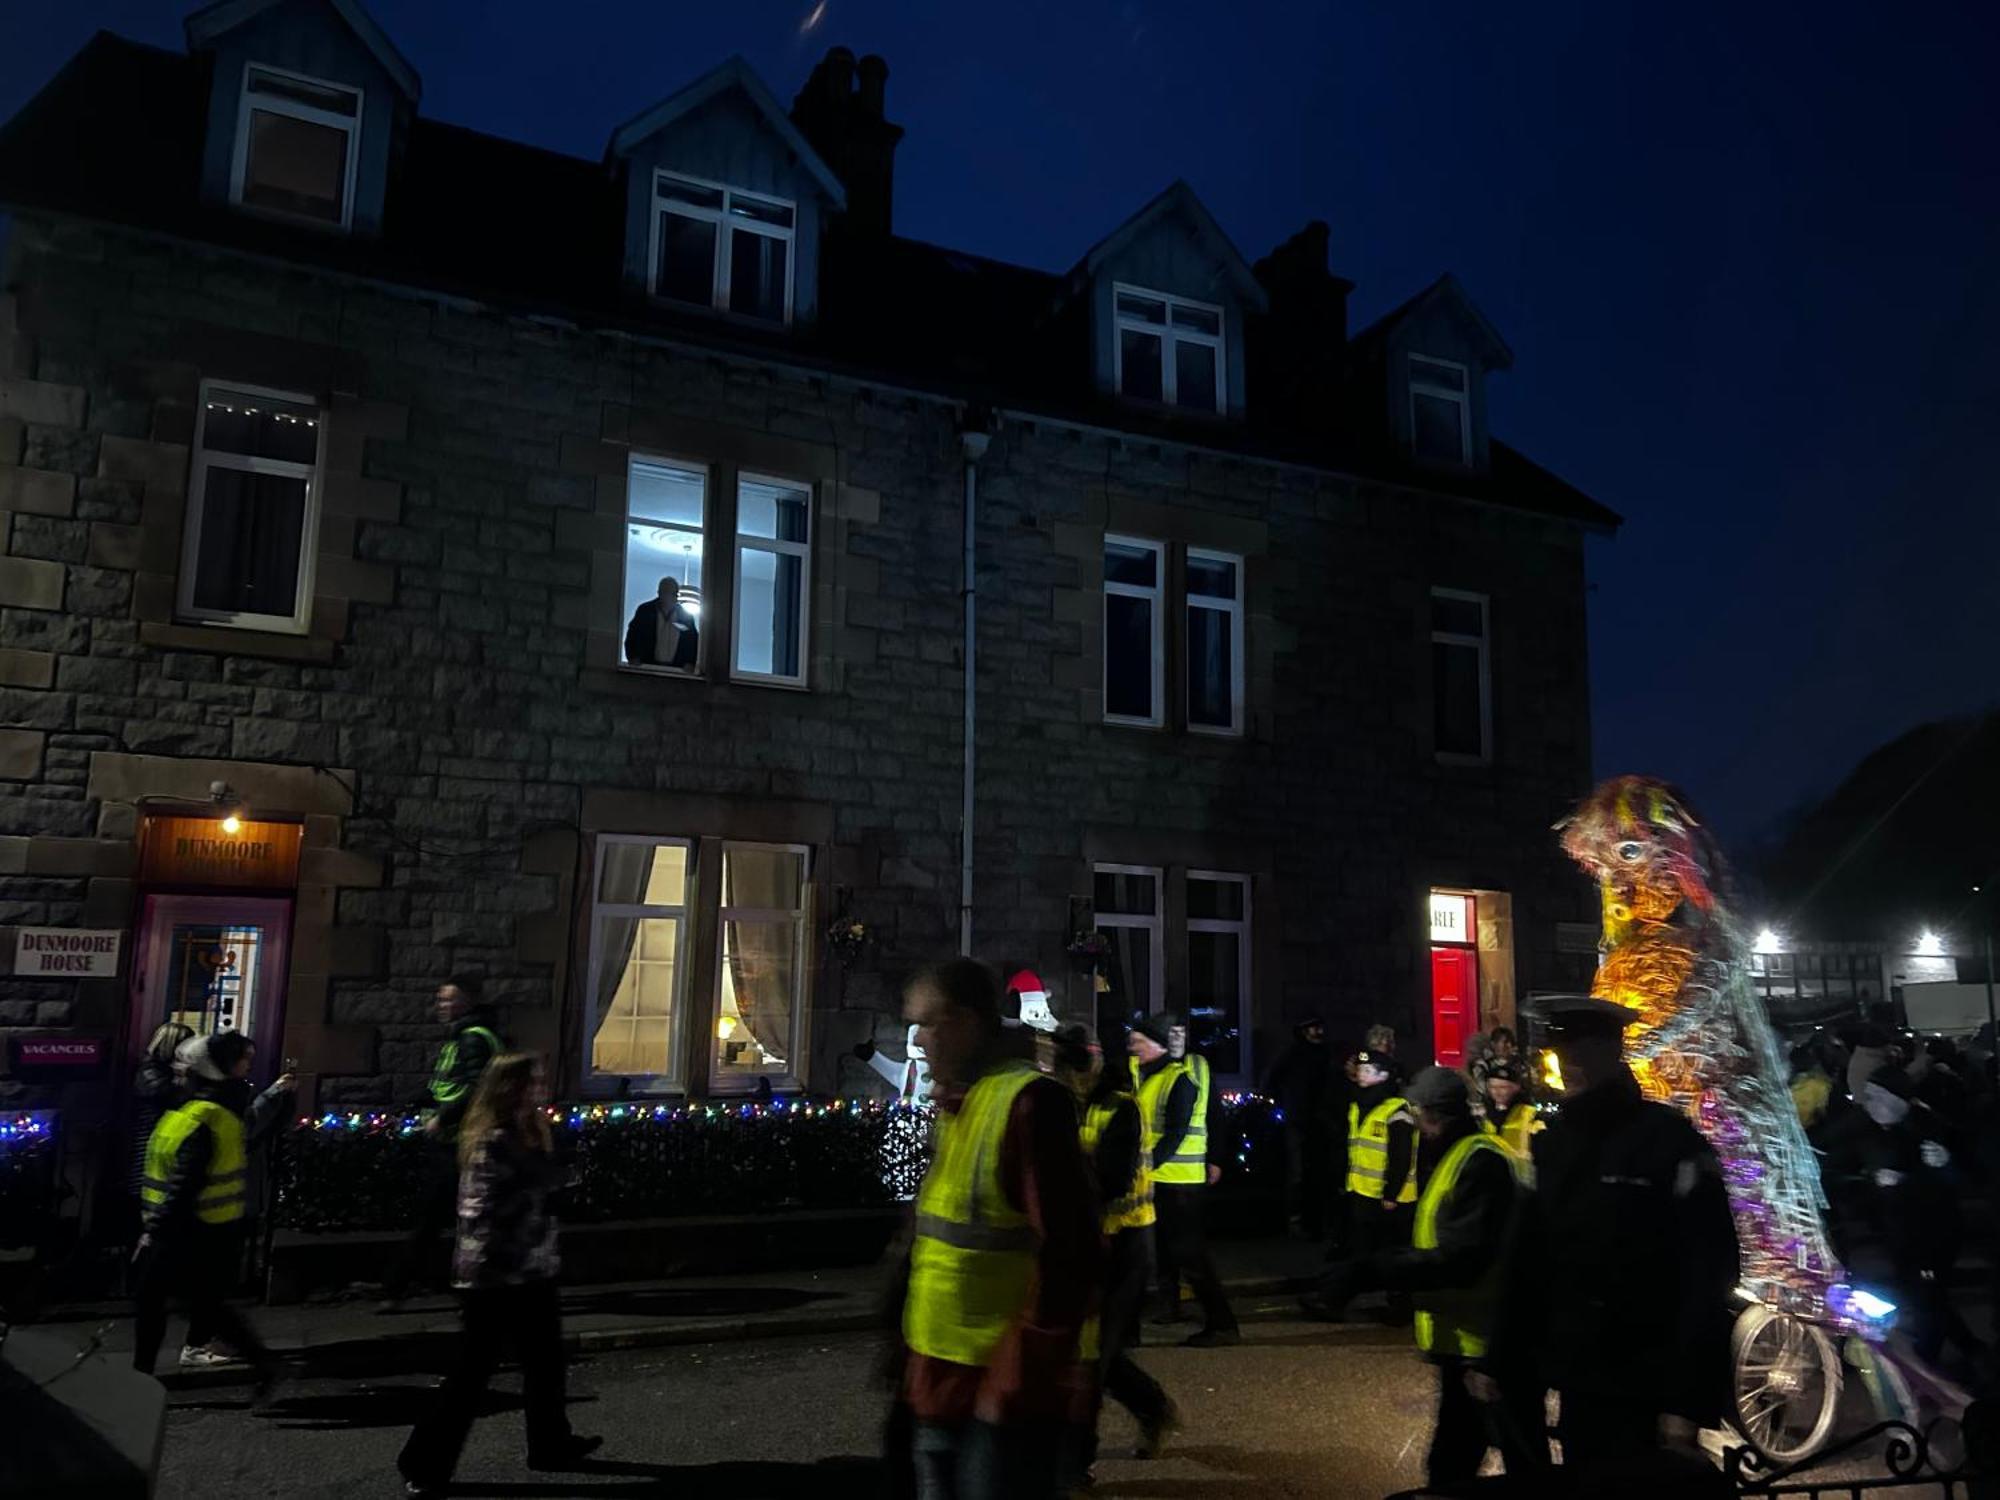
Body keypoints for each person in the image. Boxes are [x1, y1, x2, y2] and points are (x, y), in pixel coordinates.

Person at [1494, 997, 1739, 1480]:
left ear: (1614, 1054)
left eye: (1583, 1052)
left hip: (1643, 1373)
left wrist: (1686, 1401)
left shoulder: (1667, 1141)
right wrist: (1500, 1358)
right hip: (1578, 1370)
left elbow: (1706, 1272)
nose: (1571, 1067)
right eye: (1563, 1055)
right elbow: (1525, 1257)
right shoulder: (1554, 1142)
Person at [898, 959, 1099, 1500]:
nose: (917, 1040)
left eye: (929, 1022)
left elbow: (1070, 1255)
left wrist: (1013, 1383)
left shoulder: (1028, 1103)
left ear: (965, 1022)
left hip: (1000, 1404)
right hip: (938, 1387)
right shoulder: (957, 1102)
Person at [1308, 1067, 1536, 1486]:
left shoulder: (1478, 1160)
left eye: (1418, 1115)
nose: (1415, 1124)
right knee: (1462, 1466)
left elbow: (1461, 1258)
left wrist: (1371, 1271)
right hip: (1467, 1345)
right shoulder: (1459, 1155)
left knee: (1502, 1467)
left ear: (1437, 1115)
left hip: (1487, 1348)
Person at [397, 1054, 599, 1496]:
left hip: (533, 1269)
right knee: (471, 1374)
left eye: (541, 1082)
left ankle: (551, 1444)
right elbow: (480, 1210)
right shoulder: (493, 1139)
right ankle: (423, 1462)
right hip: (494, 1274)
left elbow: (548, 1184)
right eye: (532, 1083)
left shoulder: (529, 1133)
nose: (540, 1091)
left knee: (545, 1364)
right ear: (509, 1089)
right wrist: (544, 1188)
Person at [1054, 1025, 1177, 1478]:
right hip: (1092, 1241)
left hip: (1126, 1246)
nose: (1065, 1077)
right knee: (1091, 1352)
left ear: (1086, 1065)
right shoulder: (1074, 1103)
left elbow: (1112, 1180)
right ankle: (1152, 1407)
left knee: (1092, 1356)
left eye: (1069, 1068)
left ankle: (1075, 1461)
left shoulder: (1122, 1107)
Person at [132, 1031, 278, 1389]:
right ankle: (261, 1364)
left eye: (184, 1066)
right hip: (200, 1228)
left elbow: (184, 1184)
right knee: (194, 1303)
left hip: (191, 1229)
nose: (177, 1071)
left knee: (169, 1302)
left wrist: (153, 1233)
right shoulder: (206, 1112)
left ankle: (139, 1378)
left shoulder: (201, 1117)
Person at [1828, 1064, 1984, 1370]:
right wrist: (1866, 1181)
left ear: (1902, 1100)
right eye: (1869, 1096)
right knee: (1924, 1294)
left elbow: (1965, 1178)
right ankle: (1969, 1347)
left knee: (1927, 1297)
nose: (1872, 1103)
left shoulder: (1929, 1128)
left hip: (1934, 1231)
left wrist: (1940, 1165)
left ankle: (1928, 1365)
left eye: (1880, 1097)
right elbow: (1836, 1160)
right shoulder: (1866, 1126)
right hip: (1898, 1230)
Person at [381, 978, 506, 1307]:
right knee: (456, 1216)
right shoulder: (464, 1037)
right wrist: (416, 1102)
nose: (441, 1005)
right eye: (440, 999)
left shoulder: (472, 1039)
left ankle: (398, 1288)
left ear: (466, 1002)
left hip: (458, 1142)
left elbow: (476, 1088)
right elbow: (446, 1085)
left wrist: (442, 1119)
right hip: (457, 1140)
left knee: (434, 1217)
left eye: (448, 1000)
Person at [1129, 1014, 1239, 1346]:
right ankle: (1175, 1311)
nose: (1131, 1047)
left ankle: (1222, 1325)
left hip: (1180, 1181)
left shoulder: (1181, 1076)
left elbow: (1177, 1132)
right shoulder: (1150, 1074)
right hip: (1163, 1179)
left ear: (1156, 1045)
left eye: (1138, 1042)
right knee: (1170, 1252)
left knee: (1190, 1255)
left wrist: (1146, 1165)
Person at [1344, 1049, 1418, 1314]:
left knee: (1391, 1252)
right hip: (1362, 1191)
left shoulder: (1396, 1111)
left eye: (1368, 1072)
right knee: (1366, 1250)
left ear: (1383, 1076)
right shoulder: (1358, 1105)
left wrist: (1391, 1193)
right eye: (1360, 1071)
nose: (1361, 1076)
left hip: (1391, 1198)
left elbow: (1401, 1157)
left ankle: (1399, 1304)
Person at [1262, 1015, 1336, 1239]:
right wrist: (1282, 1104)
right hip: (1297, 1120)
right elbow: (1271, 1080)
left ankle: (1315, 1221)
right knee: (1297, 1173)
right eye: (1314, 1028)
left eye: (1319, 1027)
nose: (1318, 1032)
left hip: (1318, 1120)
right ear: (1304, 1031)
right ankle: (1295, 1221)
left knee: (1316, 1172)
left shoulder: (1324, 1054)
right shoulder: (1293, 1054)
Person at [129, 1021, 194, 1206]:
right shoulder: (151, 1072)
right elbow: (169, 1096)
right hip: (148, 1143)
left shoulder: (154, 1071)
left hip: (156, 1142)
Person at [1476, 1059, 1540, 1170]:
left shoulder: (1528, 1112)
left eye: (1503, 1087)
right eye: (1492, 1087)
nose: (1497, 1092)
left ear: (1515, 1088)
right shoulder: (1485, 1113)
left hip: (1520, 1174)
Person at [623, 575, 699, 669]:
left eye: (672, 593)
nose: (669, 596)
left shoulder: (686, 618)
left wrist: (690, 663)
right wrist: (633, 657)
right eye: (666, 592)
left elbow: (693, 642)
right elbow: (632, 636)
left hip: (676, 670)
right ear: (659, 593)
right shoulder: (645, 611)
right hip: (647, 666)